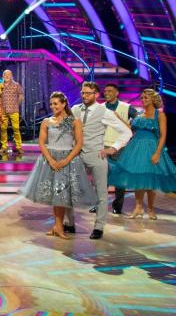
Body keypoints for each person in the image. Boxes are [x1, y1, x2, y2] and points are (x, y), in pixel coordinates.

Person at [20, 92, 95, 239]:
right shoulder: (47, 121)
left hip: (68, 160)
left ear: (64, 104)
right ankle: (58, 226)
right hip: (50, 160)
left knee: (61, 195)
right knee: (56, 195)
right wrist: (51, 160)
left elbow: (79, 143)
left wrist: (66, 161)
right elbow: (41, 143)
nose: (53, 106)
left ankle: (58, 226)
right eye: (51, 104)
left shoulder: (74, 121)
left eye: (56, 103)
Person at [64, 82, 133, 239]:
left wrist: (113, 148)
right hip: (77, 155)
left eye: (88, 93)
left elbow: (126, 132)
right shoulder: (75, 110)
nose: (84, 96)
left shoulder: (104, 111)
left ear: (96, 94)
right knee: (68, 189)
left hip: (96, 154)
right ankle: (69, 223)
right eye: (83, 93)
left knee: (101, 193)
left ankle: (99, 227)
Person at [109, 89, 176, 220]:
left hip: (152, 148)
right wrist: (119, 119)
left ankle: (150, 209)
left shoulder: (160, 115)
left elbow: (163, 136)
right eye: (142, 98)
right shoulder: (139, 115)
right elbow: (129, 130)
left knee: (150, 179)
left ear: (153, 99)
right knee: (138, 179)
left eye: (145, 98)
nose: (143, 100)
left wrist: (157, 153)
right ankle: (138, 208)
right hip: (136, 149)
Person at [103, 83, 137, 214]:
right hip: (104, 145)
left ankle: (117, 206)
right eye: (105, 91)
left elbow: (138, 121)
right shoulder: (100, 108)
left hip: (121, 147)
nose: (106, 93)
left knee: (120, 178)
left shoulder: (127, 107)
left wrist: (130, 129)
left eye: (110, 91)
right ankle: (99, 205)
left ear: (117, 93)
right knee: (101, 178)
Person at [0, 70, 25, 158]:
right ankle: (4, 146)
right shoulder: (0, 86)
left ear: (11, 75)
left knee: (16, 128)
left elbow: (21, 95)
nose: (7, 76)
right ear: (3, 76)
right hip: (3, 110)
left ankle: (18, 147)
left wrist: (17, 103)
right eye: (5, 74)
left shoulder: (16, 85)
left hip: (14, 110)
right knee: (3, 128)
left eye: (8, 74)